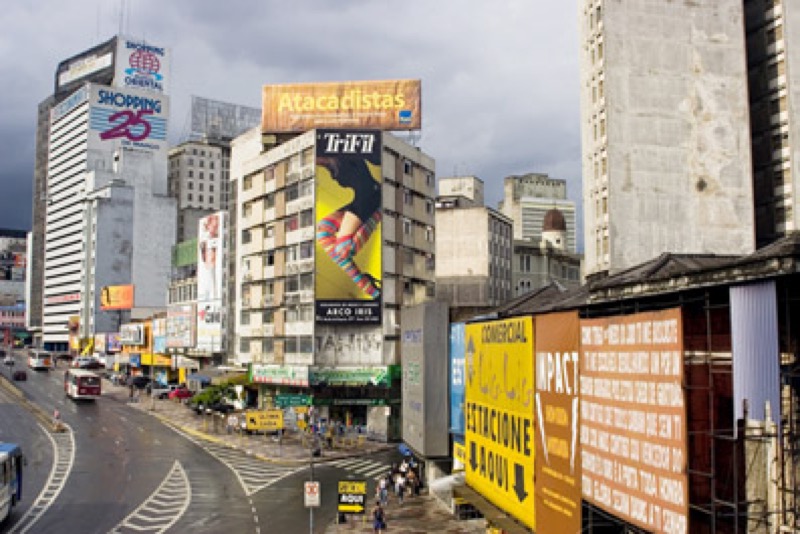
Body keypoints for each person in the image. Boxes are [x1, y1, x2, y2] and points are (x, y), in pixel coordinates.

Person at [316, 155, 382, 299]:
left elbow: (375, 157)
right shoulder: (328, 158)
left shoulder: (344, 151)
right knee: (323, 230)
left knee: (344, 250)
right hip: (362, 197)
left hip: (371, 195)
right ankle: (372, 290)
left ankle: (380, 211)